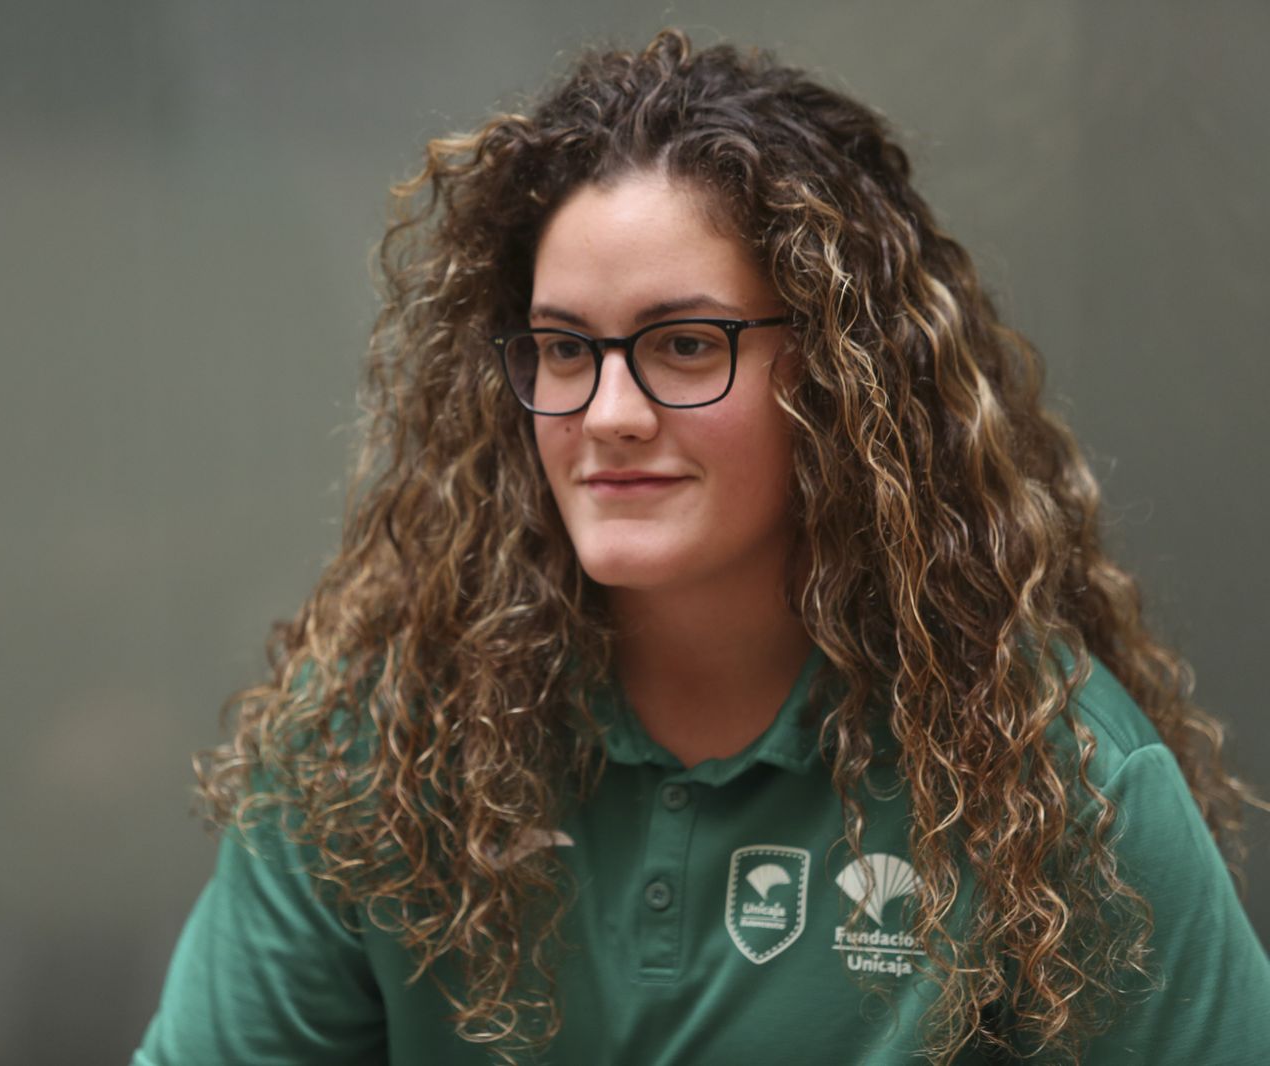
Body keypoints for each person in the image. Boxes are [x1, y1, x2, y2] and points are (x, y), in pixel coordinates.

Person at [134, 29, 1270, 1065]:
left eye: (684, 344)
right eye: (563, 351)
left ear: (836, 377)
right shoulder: (373, 746)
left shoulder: (1052, 774)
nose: (608, 412)